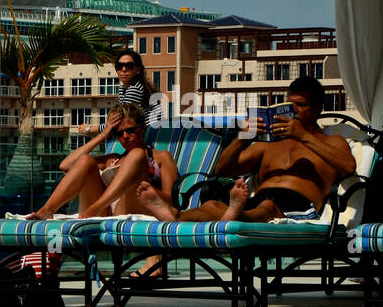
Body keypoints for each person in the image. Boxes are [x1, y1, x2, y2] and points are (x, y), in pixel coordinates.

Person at [137, 76, 354, 223]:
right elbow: (222, 170)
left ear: (318, 108)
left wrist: (303, 135)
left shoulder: (331, 141)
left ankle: (236, 215)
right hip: (256, 201)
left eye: (301, 105)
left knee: (267, 207)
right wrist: (243, 138)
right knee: (213, 204)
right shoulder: (269, 144)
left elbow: (348, 166)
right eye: (291, 104)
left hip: (298, 205)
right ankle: (174, 216)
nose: (294, 110)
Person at [26, 103, 178, 220]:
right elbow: (66, 165)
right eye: (118, 133)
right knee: (86, 160)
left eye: (131, 130)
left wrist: (150, 191)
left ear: (143, 128)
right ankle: (48, 210)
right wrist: (103, 134)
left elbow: (171, 201)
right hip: (102, 213)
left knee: (137, 154)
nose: (125, 136)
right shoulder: (112, 159)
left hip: (134, 209)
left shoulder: (162, 157)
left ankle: (96, 208)